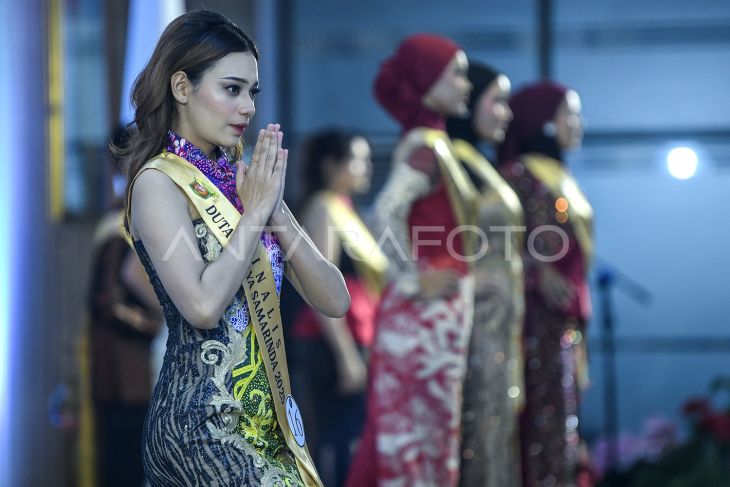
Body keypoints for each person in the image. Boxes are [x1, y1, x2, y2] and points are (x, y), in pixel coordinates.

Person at [118, 10, 350, 487]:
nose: (247, 107)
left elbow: (335, 300)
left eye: (252, 92)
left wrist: (274, 210)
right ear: (182, 87)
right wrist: (255, 213)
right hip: (201, 424)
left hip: (267, 420)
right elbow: (203, 307)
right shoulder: (158, 182)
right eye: (231, 89)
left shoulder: (240, 182)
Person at [346, 34, 476, 487]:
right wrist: (414, 280)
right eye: (457, 74)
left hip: (433, 321)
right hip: (423, 322)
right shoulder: (426, 146)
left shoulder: (434, 142)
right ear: (426, 81)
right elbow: (384, 214)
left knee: (426, 444)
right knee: (417, 449)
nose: (466, 85)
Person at [497, 81, 594, 487]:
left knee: (560, 427)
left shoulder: (558, 176)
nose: (578, 122)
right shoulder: (519, 176)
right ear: (542, 120)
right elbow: (490, 244)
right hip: (533, 323)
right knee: (543, 426)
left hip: (563, 321)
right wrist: (537, 271)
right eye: (569, 113)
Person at [292, 129, 386, 486]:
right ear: (331, 165)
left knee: (353, 437)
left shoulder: (345, 207)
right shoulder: (323, 208)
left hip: (357, 337)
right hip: (329, 345)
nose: (367, 168)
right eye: (358, 160)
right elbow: (322, 292)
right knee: (336, 440)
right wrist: (346, 356)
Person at [446, 62, 525, 487]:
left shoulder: (479, 160)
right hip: (476, 323)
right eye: (498, 101)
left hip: (500, 322)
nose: (506, 113)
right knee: (480, 429)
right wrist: (467, 281)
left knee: (496, 427)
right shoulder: (452, 160)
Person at [89, 127, 163, 487]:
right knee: (124, 463)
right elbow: (112, 297)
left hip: (126, 369)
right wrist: (162, 319)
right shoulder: (121, 225)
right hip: (126, 370)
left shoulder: (126, 218)